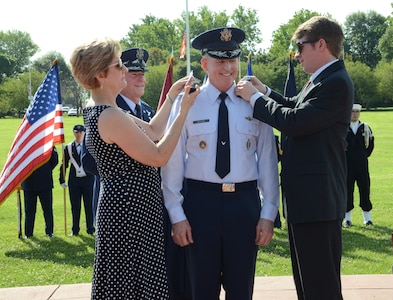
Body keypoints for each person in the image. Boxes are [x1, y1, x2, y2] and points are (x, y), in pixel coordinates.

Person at [70, 37, 199, 299]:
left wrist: (172, 97)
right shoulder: (111, 115)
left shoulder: (102, 110)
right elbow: (159, 155)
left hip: (127, 208)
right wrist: (184, 110)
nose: (126, 71)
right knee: (132, 286)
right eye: (119, 66)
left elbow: (153, 130)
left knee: (128, 284)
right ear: (101, 75)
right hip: (130, 212)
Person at [236, 16, 353, 300]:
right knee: (308, 285)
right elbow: (294, 106)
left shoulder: (335, 81)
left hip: (318, 203)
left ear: (321, 44)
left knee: (320, 287)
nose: (297, 55)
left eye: (301, 47)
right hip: (309, 201)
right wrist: (265, 91)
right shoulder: (324, 78)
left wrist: (254, 99)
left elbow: (296, 121)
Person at [161, 27, 279, 300]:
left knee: (241, 290)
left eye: (232, 60)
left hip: (244, 206)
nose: (228, 68)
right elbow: (173, 162)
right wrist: (177, 215)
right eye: (220, 61)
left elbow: (268, 161)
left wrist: (268, 212)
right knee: (200, 290)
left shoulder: (254, 103)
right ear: (204, 63)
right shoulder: (187, 102)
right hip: (200, 205)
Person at [59, 124, 95, 236]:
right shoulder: (68, 147)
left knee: (89, 206)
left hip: (88, 180)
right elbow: (64, 165)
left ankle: (90, 229)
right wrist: (62, 180)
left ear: (84, 133)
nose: (78, 134)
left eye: (80, 132)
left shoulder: (90, 146)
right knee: (75, 207)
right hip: (74, 181)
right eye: (76, 132)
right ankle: (75, 230)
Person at [343, 103, 374, 227]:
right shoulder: (343, 127)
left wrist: (362, 156)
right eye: (352, 111)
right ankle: (347, 219)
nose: (354, 114)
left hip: (362, 166)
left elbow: (370, 146)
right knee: (347, 191)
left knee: (365, 190)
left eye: (357, 111)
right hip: (347, 166)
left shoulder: (365, 127)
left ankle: (367, 218)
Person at [22, 146, 58, 238]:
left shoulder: (48, 144)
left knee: (47, 210)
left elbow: (54, 160)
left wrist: (45, 170)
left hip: (44, 182)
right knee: (29, 211)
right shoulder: (25, 144)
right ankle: (28, 233)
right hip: (29, 183)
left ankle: (49, 231)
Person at [116, 47, 155, 121]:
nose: (141, 79)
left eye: (142, 74)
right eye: (134, 74)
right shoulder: (112, 109)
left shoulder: (148, 111)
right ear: (121, 76)